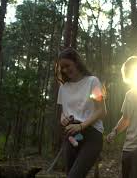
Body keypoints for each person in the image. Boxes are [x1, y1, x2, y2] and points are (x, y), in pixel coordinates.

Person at [56, 47, 106, 178]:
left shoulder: (92, 81)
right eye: (62, 68)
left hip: (92, 135)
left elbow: (102, 110)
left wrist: (81, 126)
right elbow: (64, 112)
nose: (65, 70)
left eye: (67, 65)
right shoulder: (63, 87)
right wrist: (64, 119)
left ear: (76, 62)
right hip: (71, 136)